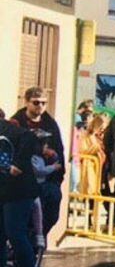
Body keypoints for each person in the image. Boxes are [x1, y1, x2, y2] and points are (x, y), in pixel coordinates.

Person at [11, 87, 65, 242]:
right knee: (26, 218)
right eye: (36, 102)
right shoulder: (16, 123)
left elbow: (59, 149)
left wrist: (57, 177)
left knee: (51, 213)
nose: (40, 106)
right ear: (26, 102)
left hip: (47, 180)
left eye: (43, 103)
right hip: (23, 181)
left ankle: (38, 242)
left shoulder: (50, 124)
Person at [0, 110, 42, 267]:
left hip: (18, 191)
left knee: (16, 235)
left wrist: (18, 164)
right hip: (5, 190)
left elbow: (29, 137)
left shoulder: (6, 129)